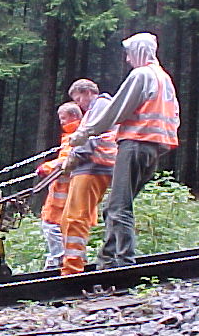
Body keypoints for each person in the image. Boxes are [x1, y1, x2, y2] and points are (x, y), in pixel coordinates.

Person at [69, 32, 180, 269]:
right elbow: (174, 117)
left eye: (129, 54)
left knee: (119, 206)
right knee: (114, 206)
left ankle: (124, 264)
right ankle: (107, 261)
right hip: (152, 149)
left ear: (138, 51)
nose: (128, 60)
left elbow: (115, 110)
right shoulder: (165, 79)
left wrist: (84, 133)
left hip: (135, 144)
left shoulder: (141, 75)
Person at [59, 79, 118, 276]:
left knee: (76, 218)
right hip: (90, 168)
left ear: (86, 93)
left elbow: (90, 138)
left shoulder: (100, 105)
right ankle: (73, 263)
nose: (79, 105)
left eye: (78, 99)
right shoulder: (97, 109)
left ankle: (73, 270)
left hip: (93, 167)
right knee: (68, 218)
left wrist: (73, 158)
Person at [36, 102, 83, 270]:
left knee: (51, 225)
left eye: (63, 118)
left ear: (73, 117)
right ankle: (60, 258)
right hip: (62, 191)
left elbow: (66, 160)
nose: (61, 122)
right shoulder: (72, 135)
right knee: (57, 226)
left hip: (64, 192)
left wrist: (46, 167)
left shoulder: (76, 135)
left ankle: (58, 259)